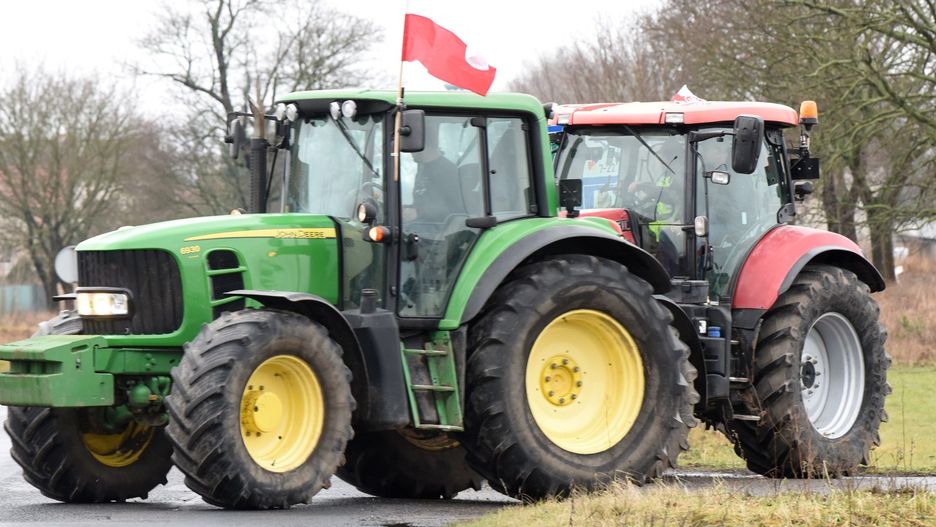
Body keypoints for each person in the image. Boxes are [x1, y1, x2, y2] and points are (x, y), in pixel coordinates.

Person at [403, 125, 462, 223]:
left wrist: (419, 213)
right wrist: (408, 209)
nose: (410, 152)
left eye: (412, 146)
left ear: (423, 145)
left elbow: (455, 208)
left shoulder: (447, 171)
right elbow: (423, 201)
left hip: (440, 228)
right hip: (423, 224)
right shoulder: (423, 168)